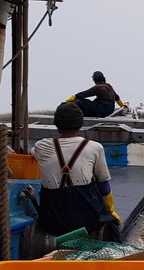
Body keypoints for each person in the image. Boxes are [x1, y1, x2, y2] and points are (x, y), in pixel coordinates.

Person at [30, 102, 122, 241]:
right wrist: (111, 211)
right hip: (87, 217)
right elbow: (103, 185)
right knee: (112, 226)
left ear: (57, 124)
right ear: (80, 124)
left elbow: (32, 154)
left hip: (52, 218)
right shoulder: (94, 147)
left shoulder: (41, 146)